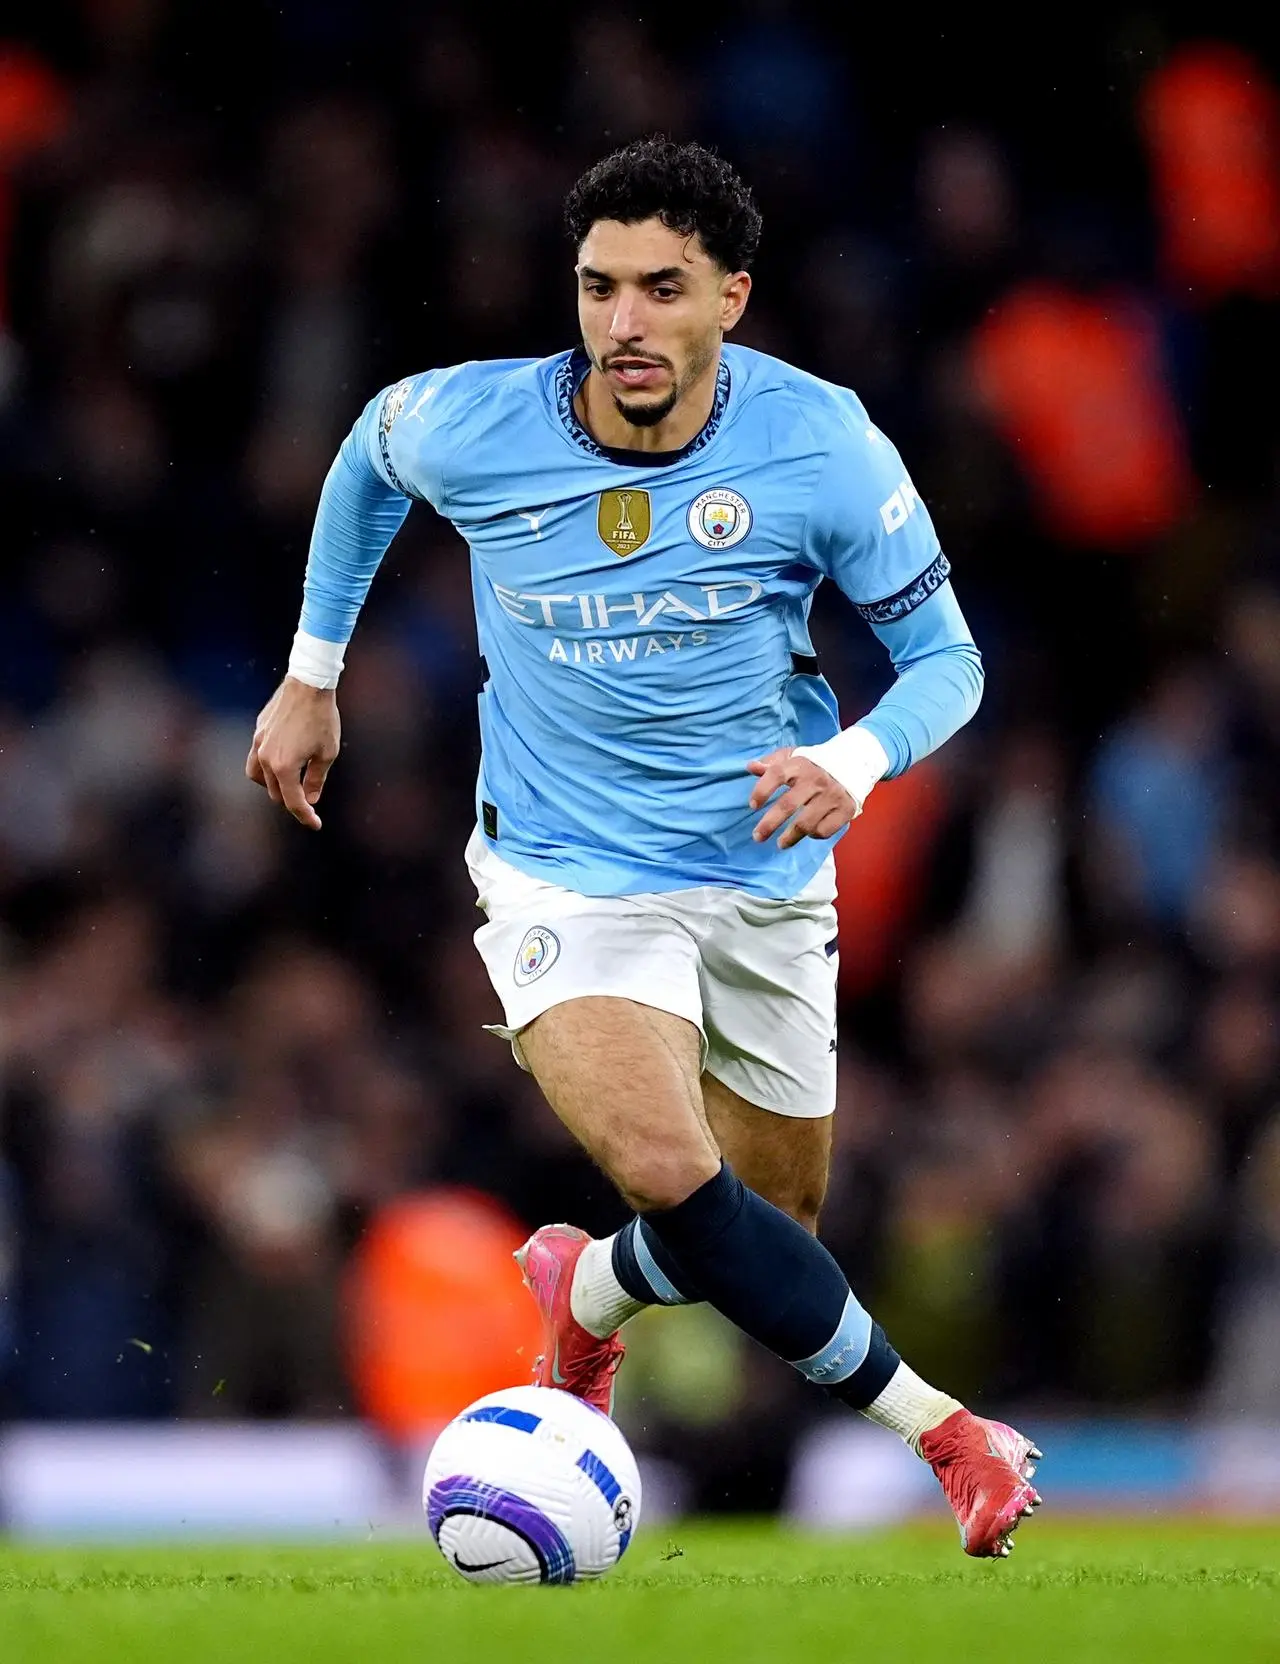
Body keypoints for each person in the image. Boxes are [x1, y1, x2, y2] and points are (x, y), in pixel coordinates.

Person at [246, 137, 1041, 1556]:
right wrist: (314, 669)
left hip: (765, 875)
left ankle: (590, 1289)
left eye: (661, 289)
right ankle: (946, 1432)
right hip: (565, 874)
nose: (622, 323)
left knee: (767, 1230)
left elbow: (950, 661)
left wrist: (855, 759)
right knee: (680, 1176)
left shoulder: (822, 444)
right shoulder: (476, 423)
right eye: (598, 286)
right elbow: (370, 453)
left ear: (732, 297)